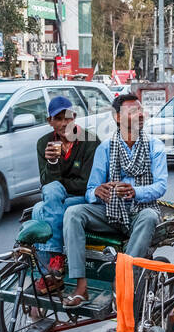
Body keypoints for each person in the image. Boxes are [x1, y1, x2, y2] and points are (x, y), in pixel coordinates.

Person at [61, 94, 168, 308]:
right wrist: (98, 192)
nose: (140, 115)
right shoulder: (106, 148)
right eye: (133, 111)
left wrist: (135, 191)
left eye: (140, 110)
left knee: (148, 216)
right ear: (118, 117)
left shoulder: (155, 146)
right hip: (110, 212)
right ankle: (81, 286)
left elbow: (161, 186)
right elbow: (91, 190)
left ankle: (123, 279)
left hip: (140, 210)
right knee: (73, 213)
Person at [29, 96, 98, 293]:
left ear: (74, 117)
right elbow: (46, 182)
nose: (63, 123)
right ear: (49, 121)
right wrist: (52, 163)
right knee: (42, 202)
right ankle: (52, 270)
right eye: (57, 119)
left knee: (41, 209)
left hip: (82, 198)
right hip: (58, 195)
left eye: (67, 118)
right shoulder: (44, 143)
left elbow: (86, 184)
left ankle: (49, 268)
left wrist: (60, 185)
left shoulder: (89, 142)